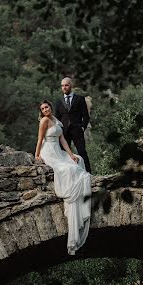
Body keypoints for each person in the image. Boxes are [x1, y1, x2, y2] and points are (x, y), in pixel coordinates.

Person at [34, 99, 91, 255]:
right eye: (43, 108)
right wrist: (37, 155)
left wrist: (71, 154)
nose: (45, 109)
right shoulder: (44, 121)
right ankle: (72, 194)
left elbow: (63, 139)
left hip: (58, 151)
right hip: (48, 152)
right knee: (68, 170)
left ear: (50, 107)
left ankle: (77, 189)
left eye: (47, 107)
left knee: (77, 161)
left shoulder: (55, 120)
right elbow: (40, 139)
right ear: (41, 111)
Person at [55, 77, 92, 172]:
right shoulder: (59, 101)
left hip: (77, 130)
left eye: (66, 85)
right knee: (64, 153)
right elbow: (57, 118)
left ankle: (89, 174)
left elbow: (86, 116)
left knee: (82, 152)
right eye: (62, 85)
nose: (64, 87)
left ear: (71, 86)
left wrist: (82, 127)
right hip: (64, 132)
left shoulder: (79, 99)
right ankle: (68, 174)